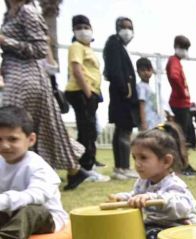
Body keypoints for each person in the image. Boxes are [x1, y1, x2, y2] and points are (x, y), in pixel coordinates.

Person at [1, 0, 89, 190]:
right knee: (45, 128)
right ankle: (74, 169)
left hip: (27, 78)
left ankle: (22, 177)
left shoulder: (27, 11)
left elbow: (40, 49)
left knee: (14, 124)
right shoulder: (9, 14)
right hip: (14, 74)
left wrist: (5, 41)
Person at [109, 123, 196, 239]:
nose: (137, 164)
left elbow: (183, 206)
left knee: (154, 236)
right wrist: (122, 198)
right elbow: (135, 196)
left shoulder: (174, 183)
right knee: (128, 232)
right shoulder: (143, 181)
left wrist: (154, 198)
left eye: (143, 158)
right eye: (134, 158)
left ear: (166, 161)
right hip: (154, 224)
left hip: (179, 225)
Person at [0, 106, 68, 239]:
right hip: (11, 214)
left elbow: (37, 196)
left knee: (31, 211)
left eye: (13, 139)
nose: (4, 145)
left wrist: (4, 200)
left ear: (31, 139)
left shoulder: (38, 166)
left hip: (46, 218)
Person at [64, 14, 105, 179]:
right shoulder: (76, 46)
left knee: (89, 130)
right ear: (73, 31)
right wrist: (88, 92)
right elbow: (77, 70)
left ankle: (87, 165)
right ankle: (86, 168)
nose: (83, 31)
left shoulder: (88, 49)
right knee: (87, 130)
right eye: (78, 28)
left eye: (86, 27)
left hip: (90, 92)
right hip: (80, 91)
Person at [103, 16, 140, 182]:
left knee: (122, 131)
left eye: (130, 27)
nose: (127, 30)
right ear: (117, 28)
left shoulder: (119, 47)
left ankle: (121, 167)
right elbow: (115, 71)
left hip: (123, 95)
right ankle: (123, 167)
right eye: (124, 27)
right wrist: (126, 90)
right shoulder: (113, 45)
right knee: (124, 132)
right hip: (122, 96)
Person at [166, 35, 196, 175]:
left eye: (186, 48)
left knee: (184, 135)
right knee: (180, 136)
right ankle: (182, 165)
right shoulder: (173, 61)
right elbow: (174, 76)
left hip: (182, 103)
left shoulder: (177, 62)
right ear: (176, 46)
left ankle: (183, 163)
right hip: (179, 103)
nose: (185, 51)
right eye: (183, 47)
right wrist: (182, 91)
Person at [136, 57, 162, 131]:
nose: (146, 73)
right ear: (138, 72)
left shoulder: (148, 87)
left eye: (148, 70)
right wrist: (143, 123)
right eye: (143, 70)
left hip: (155, 121)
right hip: (147, 122)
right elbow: (141, 104)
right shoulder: (141, 87)